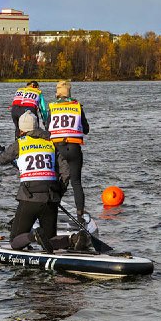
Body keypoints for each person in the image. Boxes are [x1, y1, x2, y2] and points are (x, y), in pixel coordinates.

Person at [0, 111, 91, 253]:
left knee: (15, 242)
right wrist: (59, 191)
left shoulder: (19, 144)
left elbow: (2, 160)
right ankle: (73, 239)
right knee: (50, 241)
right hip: (51, 197)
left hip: (29, 197)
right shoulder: (51, 143)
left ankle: (33, 236)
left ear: (21, 130)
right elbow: (66, 171)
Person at [46, 80, 90, 218]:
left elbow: (48, 128)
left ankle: (51, 206)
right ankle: (80, 213)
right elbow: (86, 129)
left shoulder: (52, 107)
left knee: (55, 178)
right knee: (76, 182)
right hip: (74, 147)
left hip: (58, 148)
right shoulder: (77, 106)